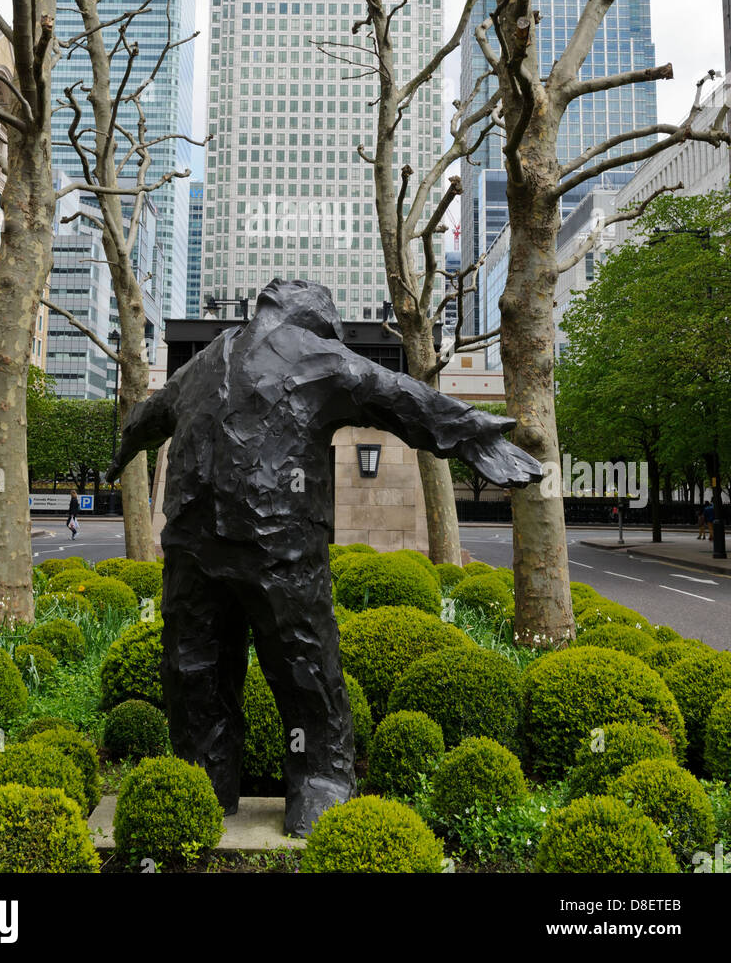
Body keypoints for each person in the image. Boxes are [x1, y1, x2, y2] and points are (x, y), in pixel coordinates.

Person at [106, 278, 543, 837]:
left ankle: (292, 778)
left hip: (241, 546)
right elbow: (399, 394)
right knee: (260, 665)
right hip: (240, 546)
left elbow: (148, 415)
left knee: (255, 664)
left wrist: (471, 433)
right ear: (315, 319)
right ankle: (273, 780)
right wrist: (471, 435)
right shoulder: (303, 355)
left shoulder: (212, 359)